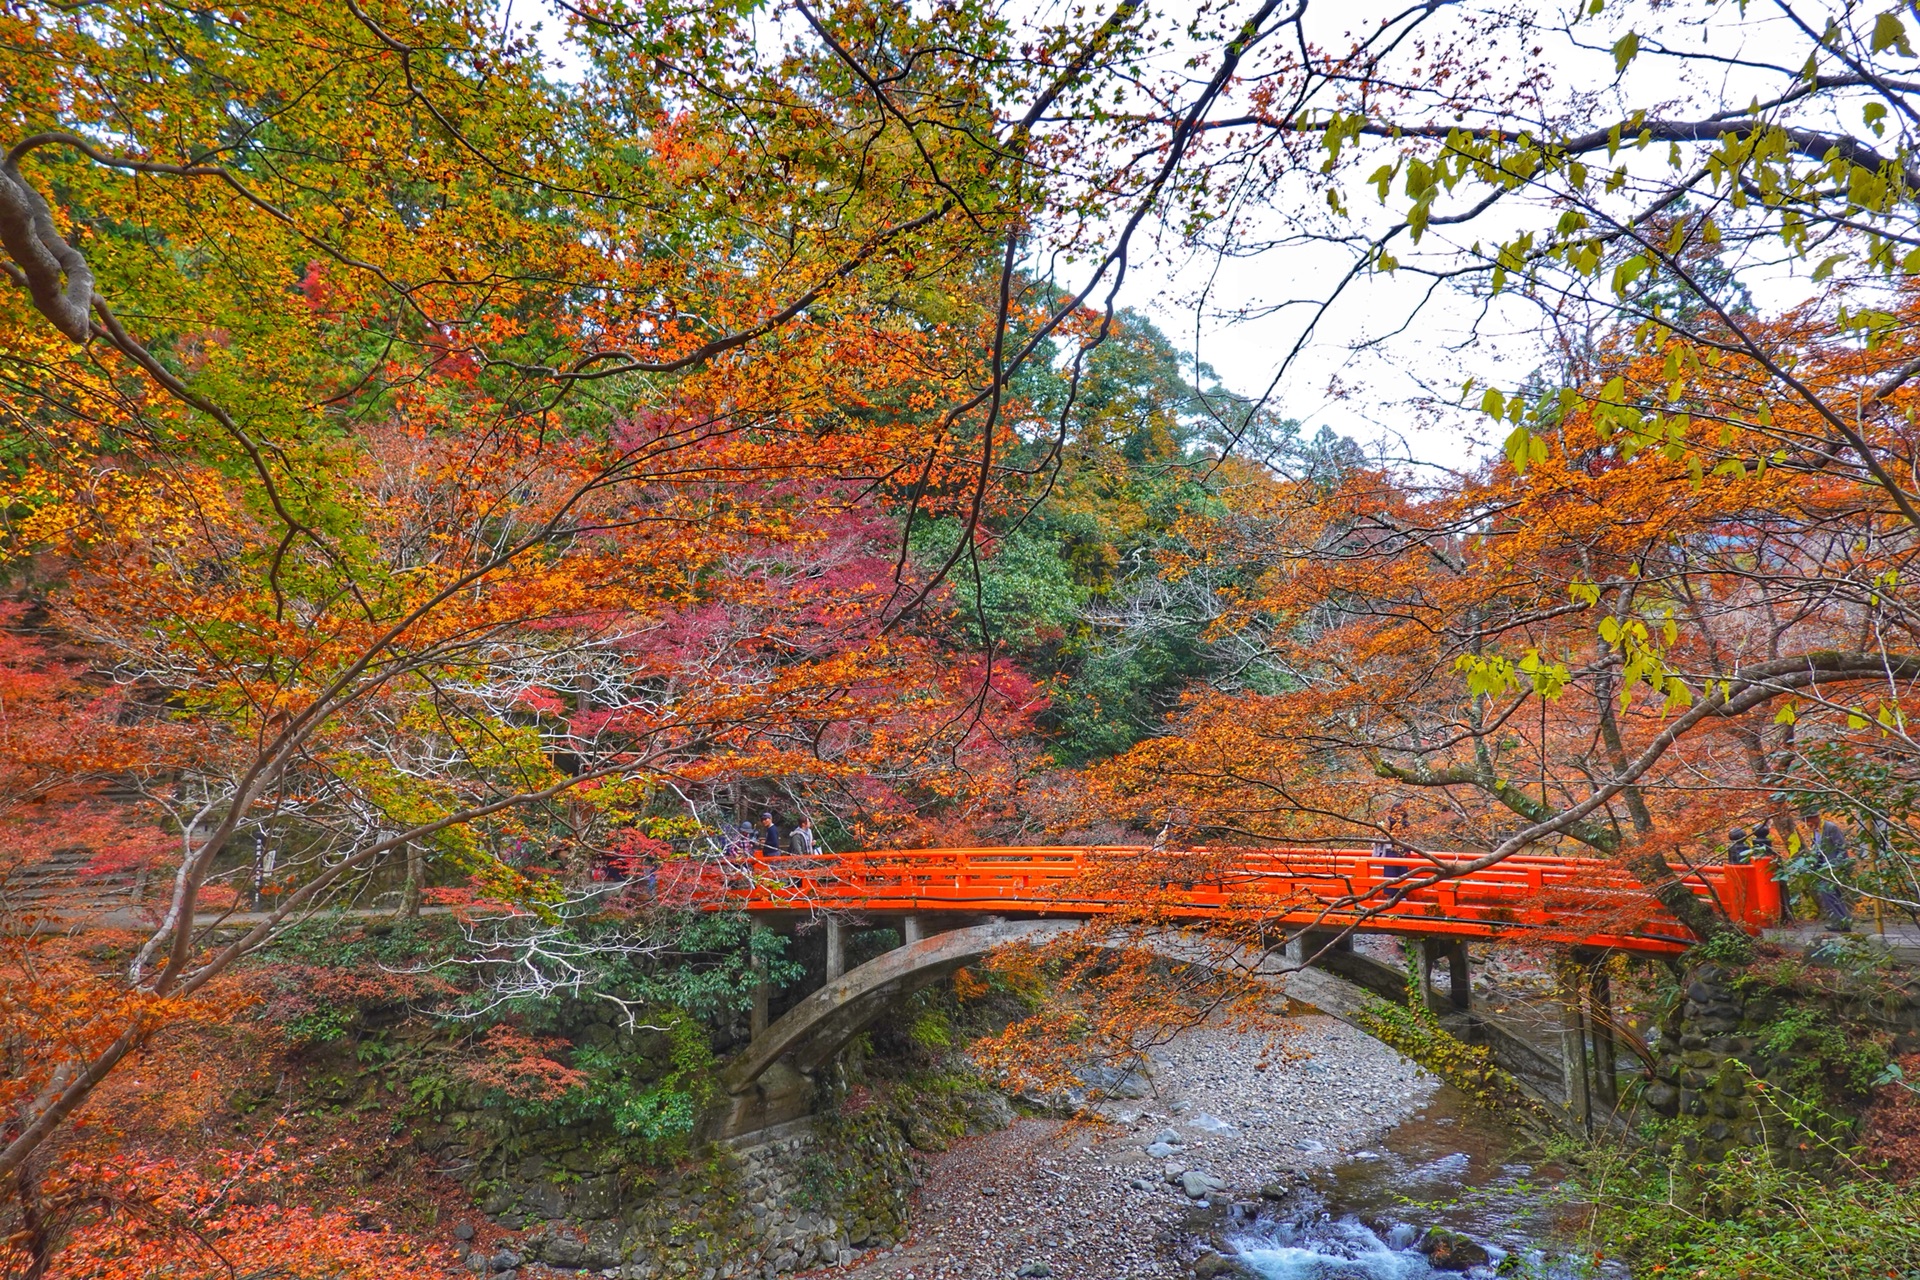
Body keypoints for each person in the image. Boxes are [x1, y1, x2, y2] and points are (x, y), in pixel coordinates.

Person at [1805, 805, 1854, 932]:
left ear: (1815, 817)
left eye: (1808, 819)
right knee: (1831, 894)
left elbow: (1841, 847)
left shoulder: (1830, 828)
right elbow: (1817, 849)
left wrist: (1839, 866)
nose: (1807, 823)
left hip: (1834, 866)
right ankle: (1842, 922)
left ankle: (1841, 922)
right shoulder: (1815, 831)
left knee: (1828, 892)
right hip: (1823, 866)